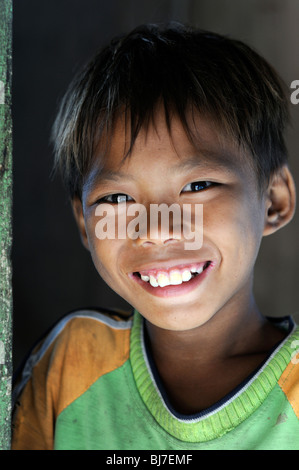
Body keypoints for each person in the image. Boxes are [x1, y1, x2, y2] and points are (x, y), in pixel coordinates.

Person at [12, 23, 299, 450]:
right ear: (85, 224)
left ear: (273, 201)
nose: (158, 229)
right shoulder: (71, 362)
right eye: (118, 198)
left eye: (198, 187)